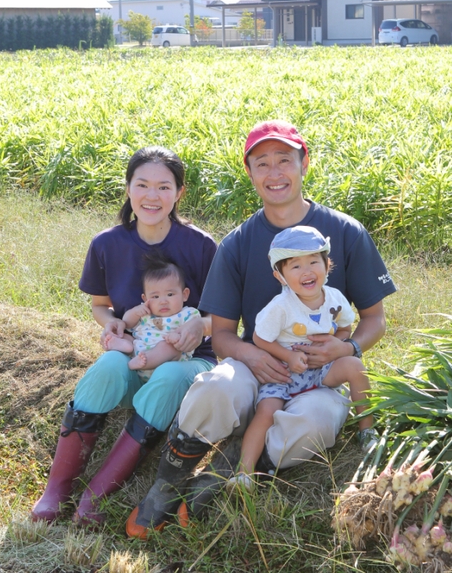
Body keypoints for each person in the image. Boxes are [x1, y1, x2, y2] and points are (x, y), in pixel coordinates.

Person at [127, 120, 396, 538]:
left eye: (284, 161)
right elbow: (220, 335)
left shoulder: (345, 232)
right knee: (215, 387)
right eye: (262, 163)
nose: (274, 173)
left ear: (304, 163)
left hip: (320, 373)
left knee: (318, 421)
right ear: (249, 173)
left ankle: (227, 471)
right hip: (256, 365)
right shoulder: (238, 242)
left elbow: (374, 319)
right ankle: (168, 481)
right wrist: (253, 355)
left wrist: (348, 350)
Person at [30, 146, 217, 524]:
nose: (152, 196)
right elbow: (100, 305)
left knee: (166, 376)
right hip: (138, 351)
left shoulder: (201, 245)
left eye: (164, 187)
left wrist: (200, 324)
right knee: (108, 365)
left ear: (179, 193)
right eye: (142, 185)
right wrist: (110, 323)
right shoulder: (106, 244)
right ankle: (57, 488)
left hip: (188, 360)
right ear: (128, 188)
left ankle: (96, 495)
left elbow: (223, 316)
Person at [231, 226, 377, 487]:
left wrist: (339, 342)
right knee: (266, 412)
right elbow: (259, 338)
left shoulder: (335, 298)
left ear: (327, 264)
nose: (307, 271)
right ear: (281, 276)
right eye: (295, 266)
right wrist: (286, 355)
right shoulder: (281, 306)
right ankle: (244, 472)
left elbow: (344, 325)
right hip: (284, 373)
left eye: (313, 262)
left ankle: (367, 429)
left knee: (355, 366)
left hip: (321, 367)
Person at [103, 254, 200, 378]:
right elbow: (126, 323)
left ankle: (144, 362)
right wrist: (135, 312)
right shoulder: (146, 313)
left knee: (169, 347)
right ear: (145, 298)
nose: (163, 301)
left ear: (184, 294)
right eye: (155, 297)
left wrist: (177, 337)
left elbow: (192, 333)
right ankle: (123, 346)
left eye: (170, 294)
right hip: (138, 351)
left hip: (169, 361)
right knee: (129, 339)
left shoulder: (187, 314)